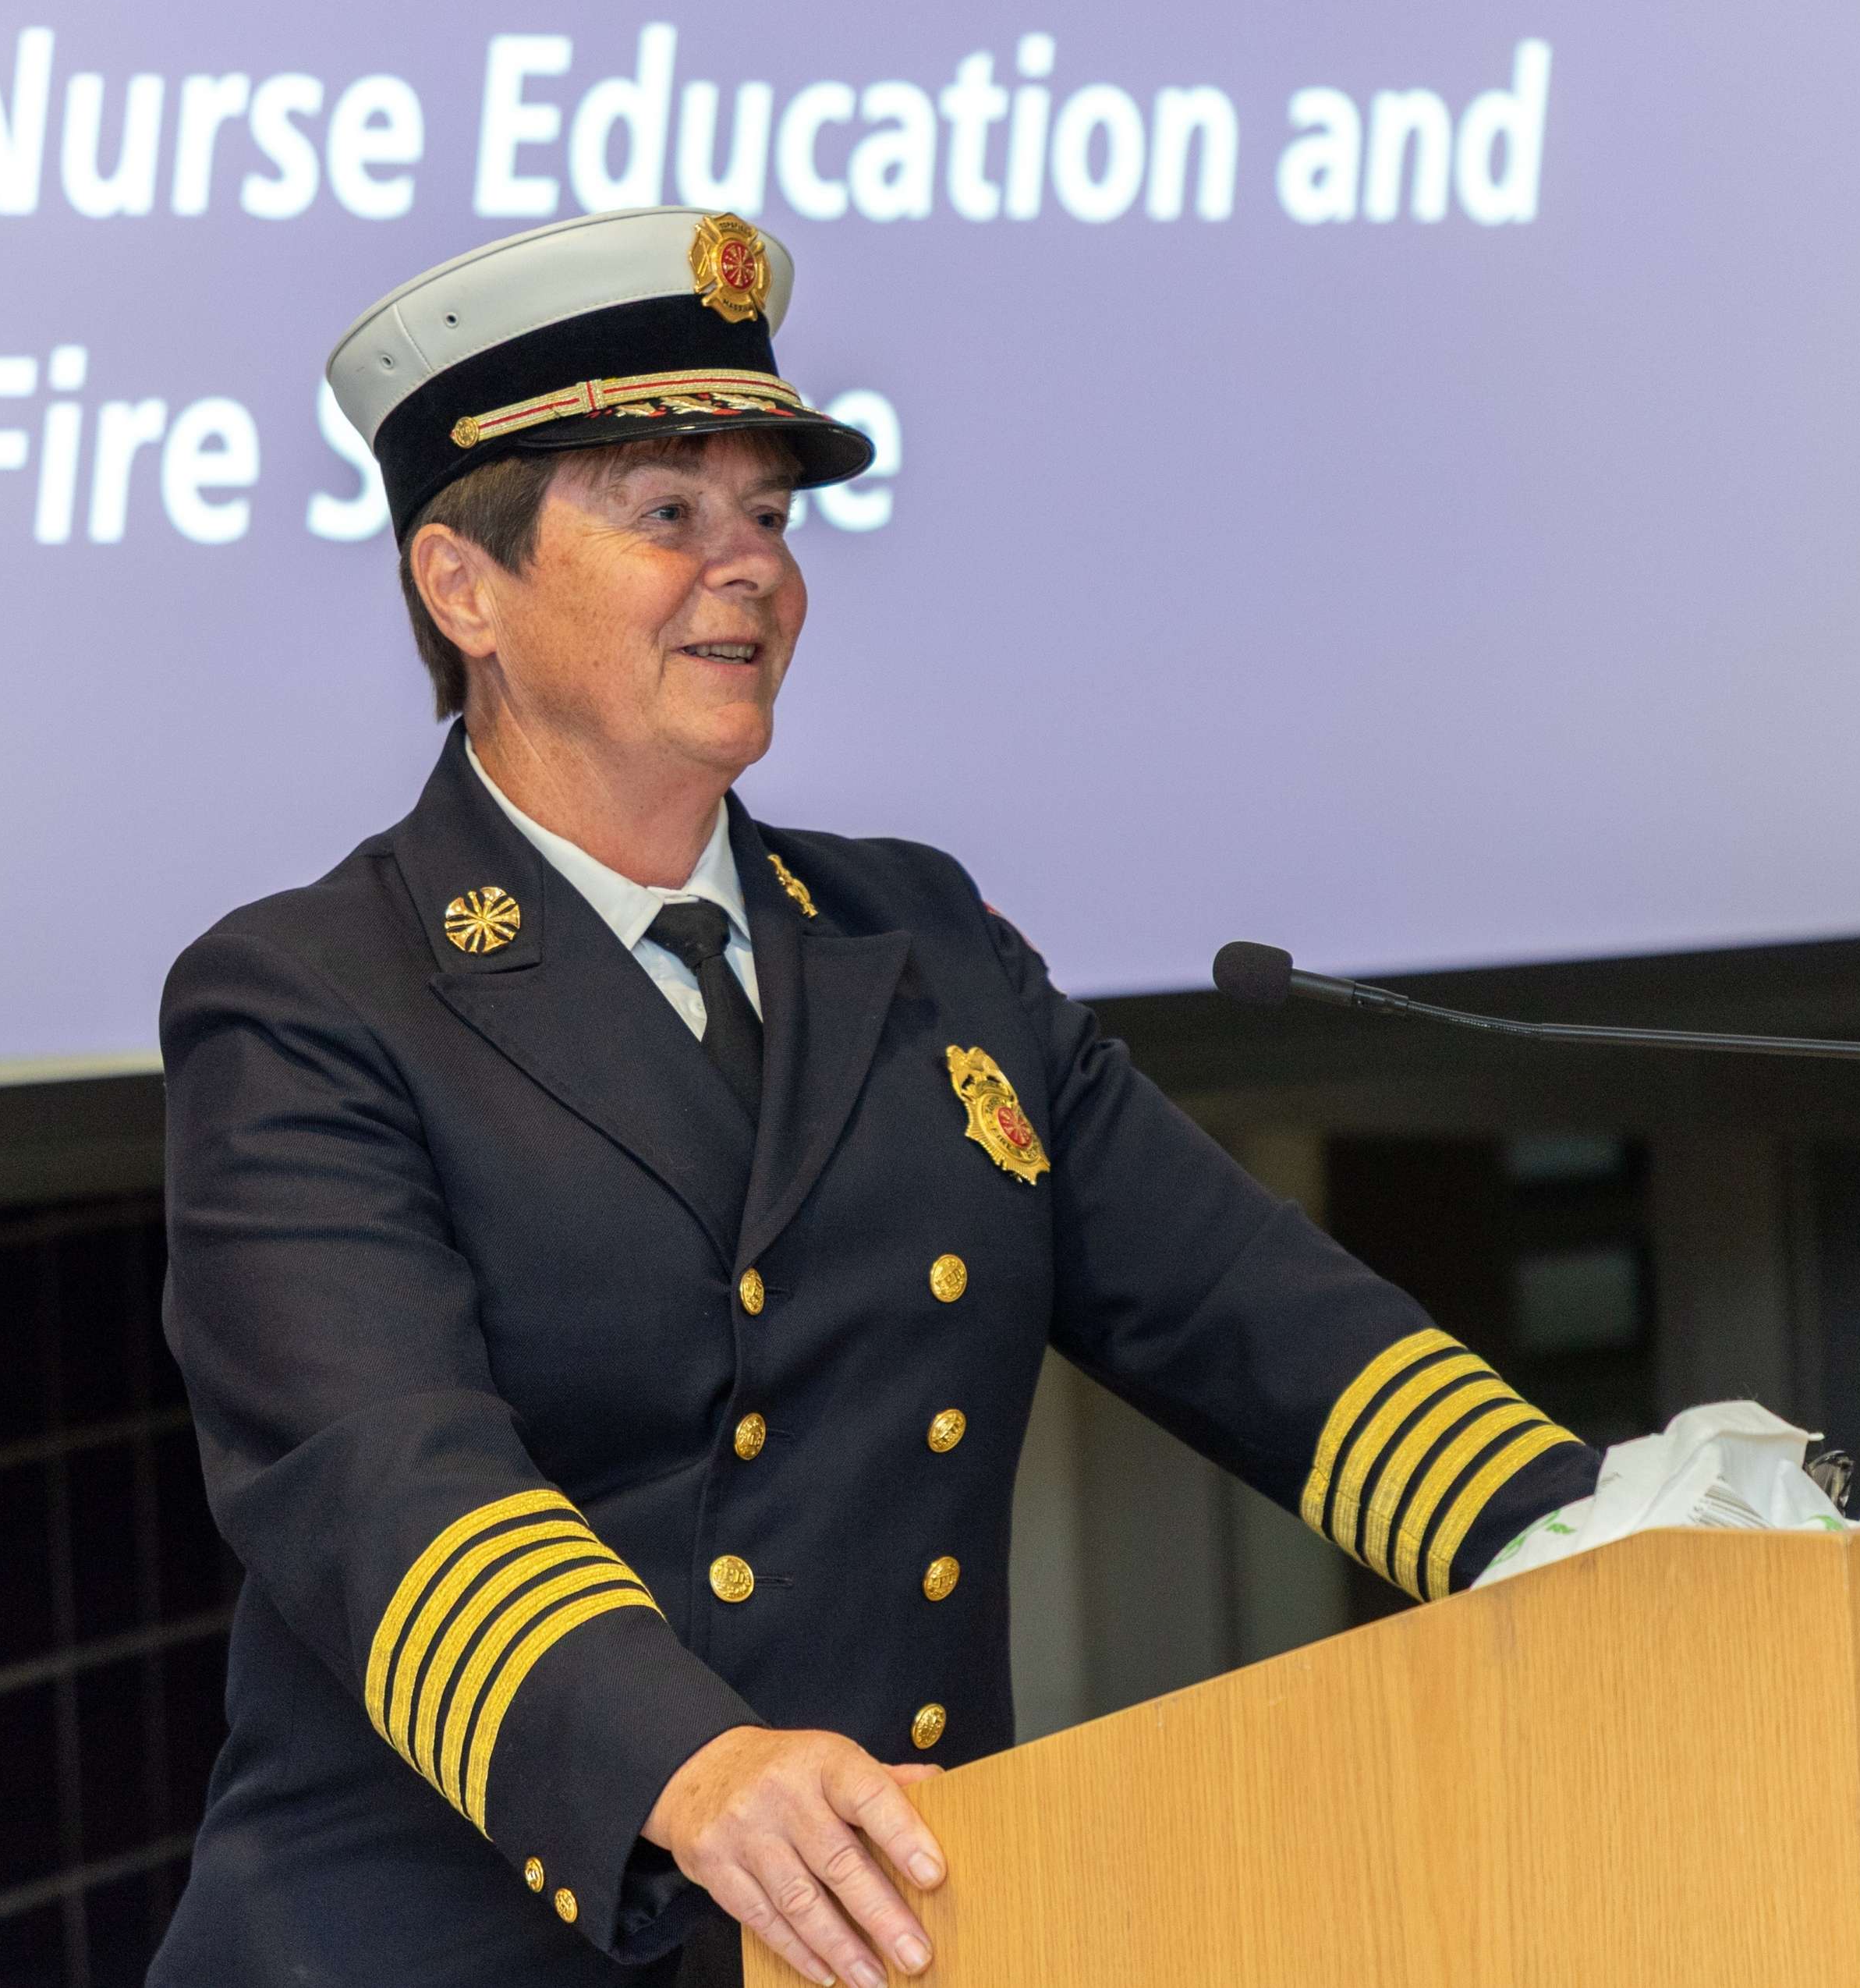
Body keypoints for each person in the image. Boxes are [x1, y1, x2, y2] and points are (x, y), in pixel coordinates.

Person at [152, 207, 1600, 1988]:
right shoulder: (311, 999)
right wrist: (686, 1765)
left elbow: (1243, 1307)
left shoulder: (915, 938)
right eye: (666, 513)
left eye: (766, 514)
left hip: (864, 1933)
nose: (746, 566)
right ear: (467, 588)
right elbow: (390, 1488)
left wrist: (1574, 1529)